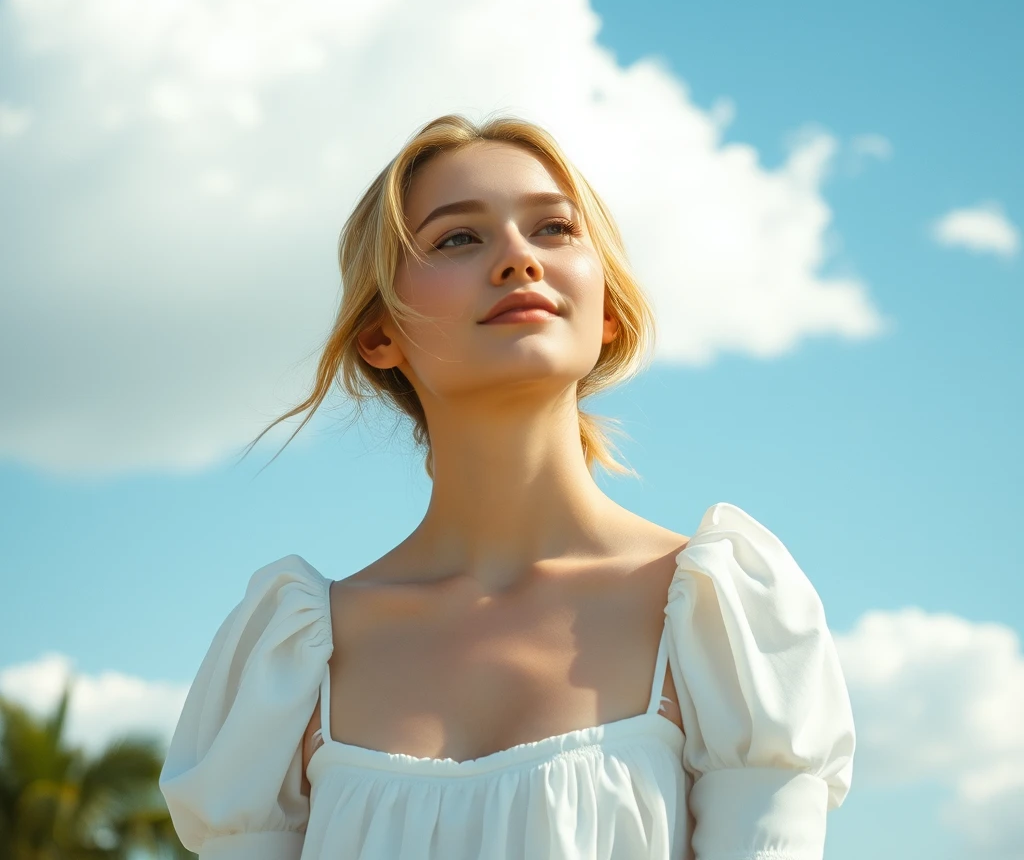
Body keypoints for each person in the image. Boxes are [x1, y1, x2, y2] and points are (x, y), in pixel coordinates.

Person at [159, 113, 856, 860]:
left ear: (609, 311)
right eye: (458, 237)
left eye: (554, 229)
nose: (520, 259)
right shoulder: (290, 661)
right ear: (379, 335)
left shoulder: (724, 616)